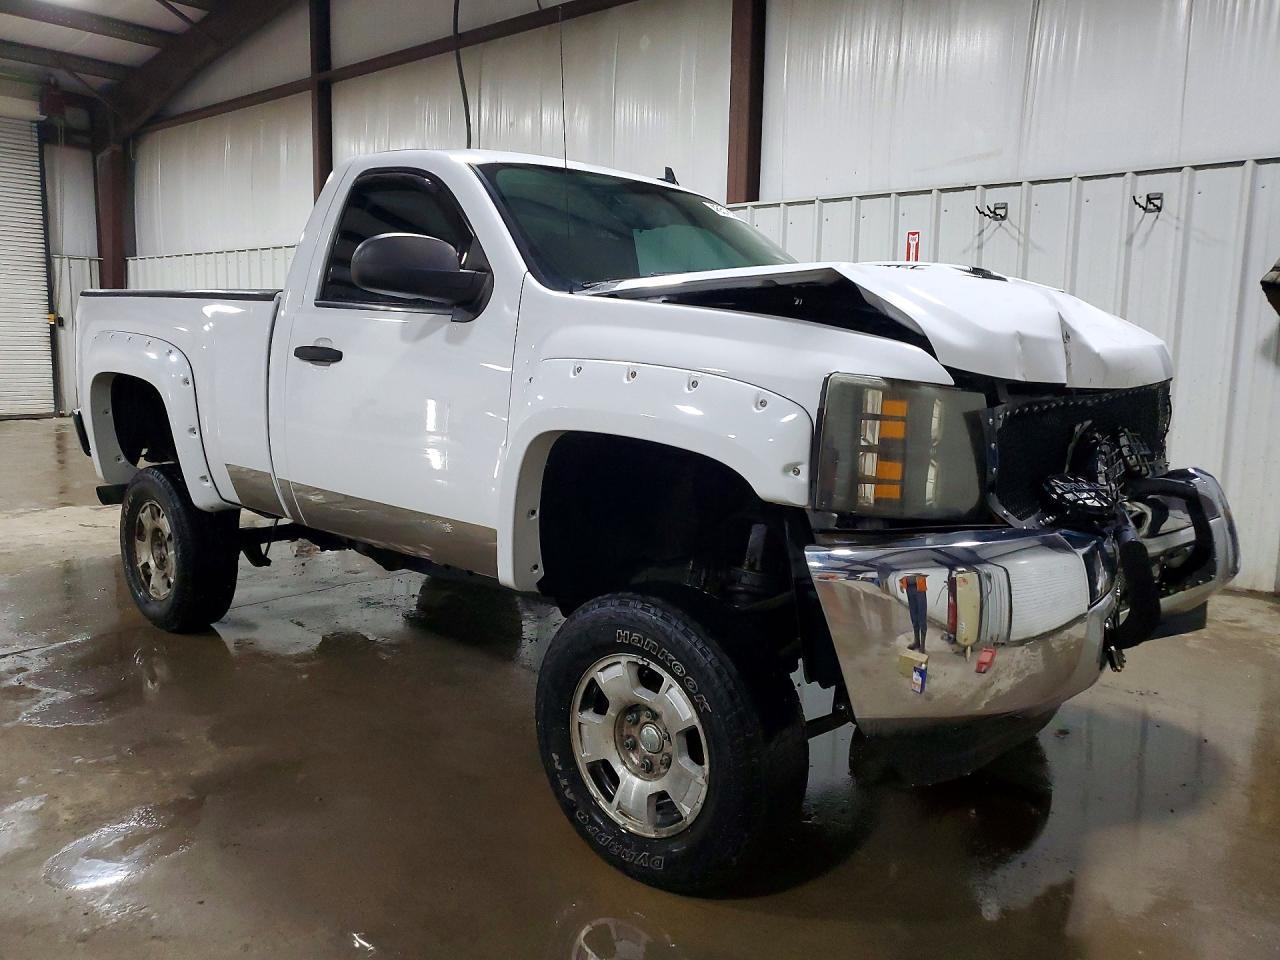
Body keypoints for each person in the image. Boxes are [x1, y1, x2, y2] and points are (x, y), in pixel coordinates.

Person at [899, 572, 929, 652]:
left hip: (919, 587)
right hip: (909, 587)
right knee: (913, 616)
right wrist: (901, 583)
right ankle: (917, 642)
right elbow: (903, 572)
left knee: (922, 616)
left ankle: (922, 645)